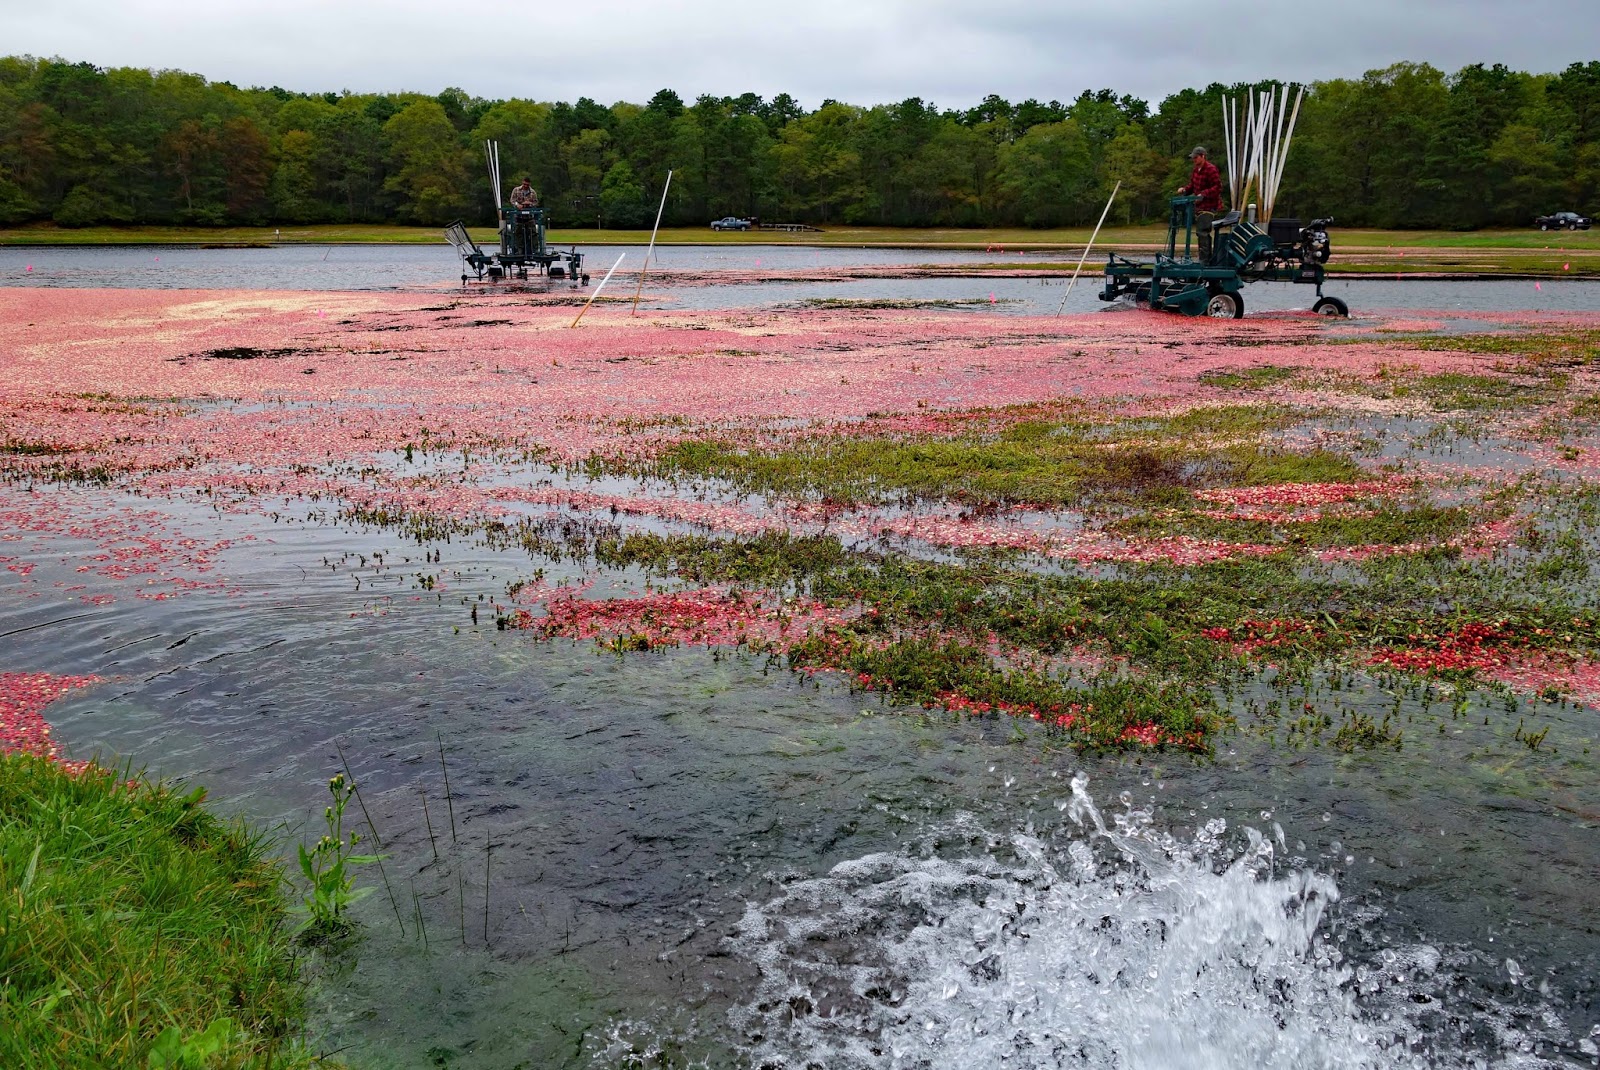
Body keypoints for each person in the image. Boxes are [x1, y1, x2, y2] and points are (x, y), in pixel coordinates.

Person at [1177, 146, 1223, 260]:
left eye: (1196, 158)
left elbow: (1217, 187)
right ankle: (1203, 257)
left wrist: (1203, 194)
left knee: (1202, 231)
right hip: (1199, 206)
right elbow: (1192, 186)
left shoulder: (1211, 169)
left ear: (1203, 156)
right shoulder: (1195, 170)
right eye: (1193, 158)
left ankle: (1205, 261)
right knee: (1200, 232)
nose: (1194, 160)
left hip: (1209, 206)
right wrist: (1185, 190)